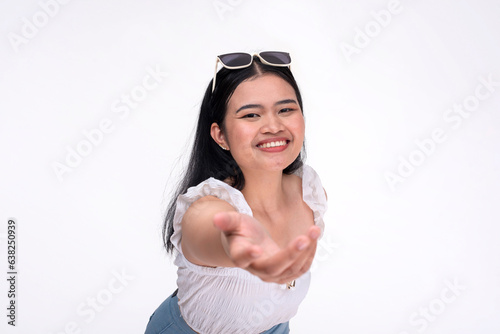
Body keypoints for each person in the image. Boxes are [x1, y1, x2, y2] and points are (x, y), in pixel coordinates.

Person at [145, 51, 328, 334]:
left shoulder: (309, 193)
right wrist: (247, 250)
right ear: (220, 136)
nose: (273, 126)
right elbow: (210, 230)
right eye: (251, 115)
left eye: (285, 110)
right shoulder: (207, 207)